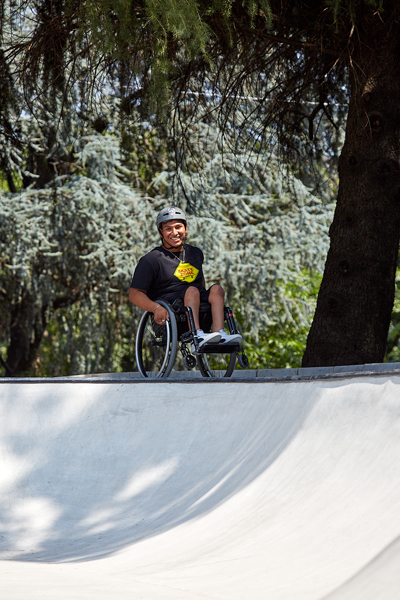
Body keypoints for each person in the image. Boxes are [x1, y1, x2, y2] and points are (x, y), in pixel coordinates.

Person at [129, 206, 242, 349]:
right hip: (172, 307)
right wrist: (155, 307)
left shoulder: (195, 253)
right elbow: (134, 294)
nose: (174, 232)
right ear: (160, 232)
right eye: (168, 229)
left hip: (196, 301)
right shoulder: (151, 260)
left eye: (178, 227)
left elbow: (200, 280)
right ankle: (197, 335)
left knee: (217, 289)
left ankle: (219, 333)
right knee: (192, 290)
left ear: (186, 228)